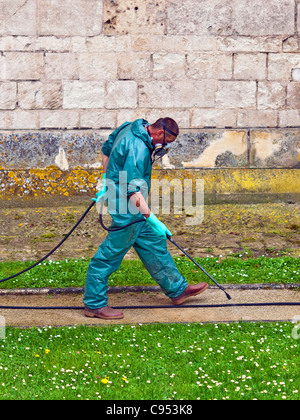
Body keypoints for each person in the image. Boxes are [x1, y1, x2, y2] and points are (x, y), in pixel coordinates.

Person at [83, 118, 208, 320]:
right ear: (158, 134)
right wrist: (152, 219)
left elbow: (107, 149)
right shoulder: (139, 150)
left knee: (153, 244)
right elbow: (133, 190)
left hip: (126, 201)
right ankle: (94, 304)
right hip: (126, 207)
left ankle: (177, 290)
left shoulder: (131, 126)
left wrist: (106, 181)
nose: (165, 147)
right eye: (166, 142)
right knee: (109, 255)